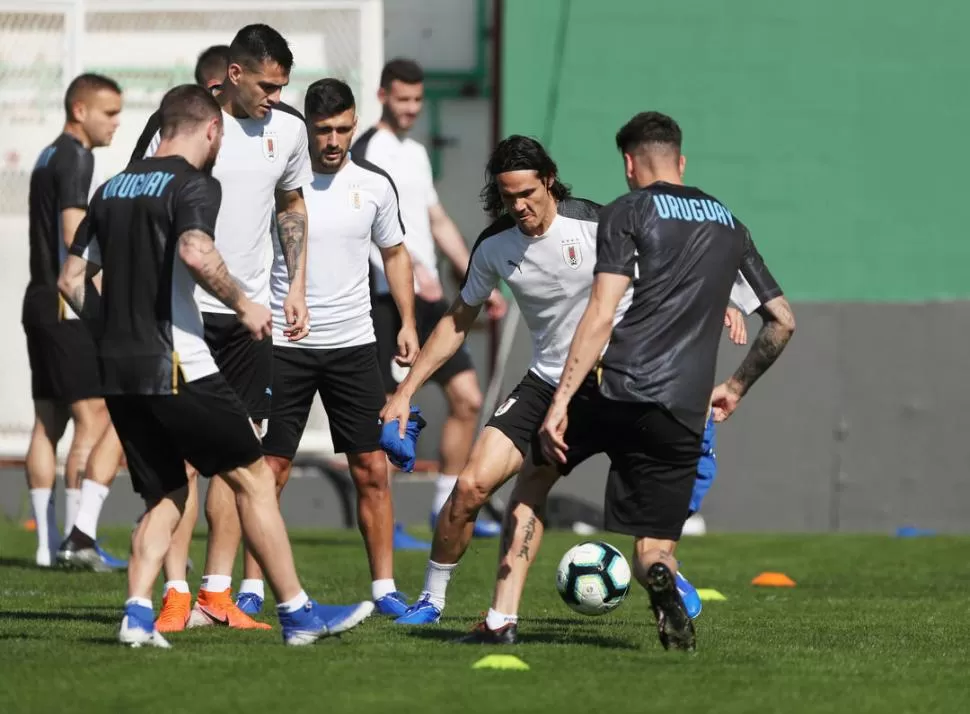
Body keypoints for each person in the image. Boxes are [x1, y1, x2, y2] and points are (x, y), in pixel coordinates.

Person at [382, 135, 748, 627]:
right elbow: (456, 319)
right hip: (546, 383)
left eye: (528, 193)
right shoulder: (495, 246)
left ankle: (663, 576)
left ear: (549, 181)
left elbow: (671, 267)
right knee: (470, 486)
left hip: (622, 385)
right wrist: (405, 391)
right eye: (508, 197)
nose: (519, 206)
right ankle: (432, 599)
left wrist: (719, 300)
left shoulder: (599, 222)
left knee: (643, 516)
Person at [57, 83, 374, 648]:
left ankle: (135, 614)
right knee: (252, 477)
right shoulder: (193, 183)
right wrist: (245, 303)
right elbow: (196, 251)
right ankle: (299, 615)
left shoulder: (110, 189)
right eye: (220, 137)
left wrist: (114, 332)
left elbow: (72, 281)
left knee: (167, 495)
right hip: (179, 360)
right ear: (209, 129)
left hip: (119, 370)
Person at [481, 111, 795, 652]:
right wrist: (736, 386)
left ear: (629, 162)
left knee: (534, 478)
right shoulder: (727, 221)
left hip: (614, 389)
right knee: (654, 544)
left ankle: (500, 619)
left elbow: (601, 313)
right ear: (682, 160)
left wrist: (559, 404)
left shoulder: (626, 210)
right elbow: (783, 321)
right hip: (683, 406)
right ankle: (662, 583)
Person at [127, 25, 313, 632]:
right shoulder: (187, 122)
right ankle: (175, 592)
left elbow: (290, 205)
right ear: (233, 74)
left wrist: (297, 286)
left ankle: (216, 592)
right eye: (267, 85)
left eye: (283, 86)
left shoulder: (289, 130)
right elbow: (141, 196)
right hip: (181, 318)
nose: (276, 98)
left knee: (244, 457)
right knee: (180, 463)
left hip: (249, 319)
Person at [235, 78, 420, 617]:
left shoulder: (376, 185)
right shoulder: (278, 183)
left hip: (353, 346)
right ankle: (251, 587)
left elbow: (396, 254)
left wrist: (407, 321)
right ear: (307, 130)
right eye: (323, 130)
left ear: (355, 124)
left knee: (371, 468)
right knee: (268, 472)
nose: (333, 140)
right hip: (283, 346)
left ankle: (384, 589)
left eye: (343, 128)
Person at [56, 45, 231, 573]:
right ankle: (288, 604)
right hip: (162, 329)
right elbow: (87, 248)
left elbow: (75, 267)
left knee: (104, 431)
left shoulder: (116, 176)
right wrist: (246, 303)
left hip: (124, 326)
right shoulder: (172, 159)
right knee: (232, 471)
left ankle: (92, 545)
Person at [352, 58, 507, 543]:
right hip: (387, 302)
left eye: (418, 100)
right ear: (382, 96)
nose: (411, 108)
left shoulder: (416, 152)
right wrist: (414, 275)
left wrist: (479, 278)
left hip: (433, 299)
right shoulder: (365, 152)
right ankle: (387, 520)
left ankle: (447, 506)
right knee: (390, 413)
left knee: (468, 399)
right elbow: (365, 232)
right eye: (402, 99)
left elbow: (436, 221)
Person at [22, 73, 122, 568]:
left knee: (48, 420)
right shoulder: (77, 156)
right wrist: (106, 300)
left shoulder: (46, 155)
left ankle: (45, 546)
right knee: (94, 416)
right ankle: (77, 541)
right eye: (109, 113)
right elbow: (71, 237)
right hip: (64, 305)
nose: (117, 123)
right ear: (80, 110)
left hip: (36, 299)